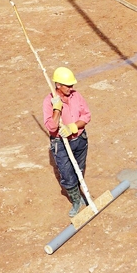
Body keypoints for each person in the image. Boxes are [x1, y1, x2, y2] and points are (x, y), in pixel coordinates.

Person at [43, 67, 91, 218]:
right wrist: (57, 109)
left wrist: (73, 126)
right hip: (61, 144)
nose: (72, 88)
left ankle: (81, 193)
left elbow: (87, 115)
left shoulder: (76, 96)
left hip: (80, 140)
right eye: (68, 86)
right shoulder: (48, 101)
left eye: (72, 85)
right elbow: (51, 127)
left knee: (79, 168)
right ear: (58, 85)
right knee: (67, 174)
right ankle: (76, 201)